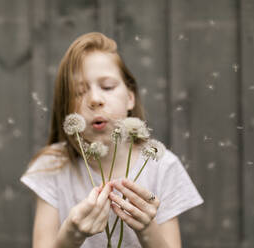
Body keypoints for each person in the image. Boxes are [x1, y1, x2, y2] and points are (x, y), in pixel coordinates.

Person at [20, 32, 203, 248]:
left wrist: (146, 228)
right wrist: (71, 234)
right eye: (79, 92)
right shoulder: (52, 167)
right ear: (65, 109)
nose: (95, 99)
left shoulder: (162, 166)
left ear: (130, 97)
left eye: (107, 87)